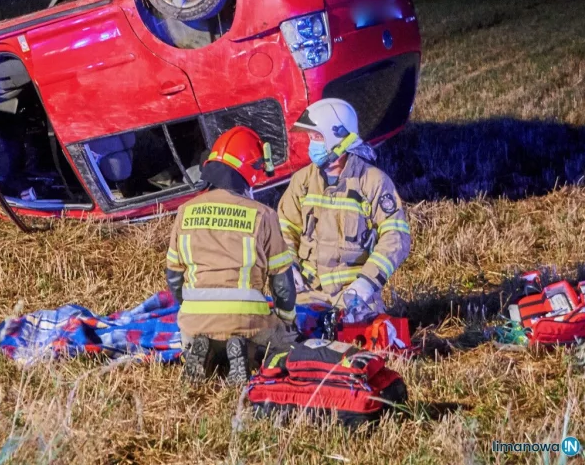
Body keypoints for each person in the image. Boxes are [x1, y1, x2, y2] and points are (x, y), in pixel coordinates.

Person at [165, 126, 297, 384]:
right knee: (285, 345)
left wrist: (191, 309)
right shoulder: (263, 214)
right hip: (248, 321)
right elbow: (282, 283)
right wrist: (287, 321)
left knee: (204, 331)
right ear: (249, 170)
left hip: (194, 322)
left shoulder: (184, 211)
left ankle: (206, 348)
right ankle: (245, 351)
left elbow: (173, 276)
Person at [277, 99, 411, 324]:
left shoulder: (373, 182)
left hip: (354, 298)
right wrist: (288, 267)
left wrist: (365, 284)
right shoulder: (302, 181)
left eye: (317, 137)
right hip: (308, 294)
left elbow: (396, 237)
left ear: (338, 138)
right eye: (311, 138)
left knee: (355, 346)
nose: (312, 145)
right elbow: (283, 228)